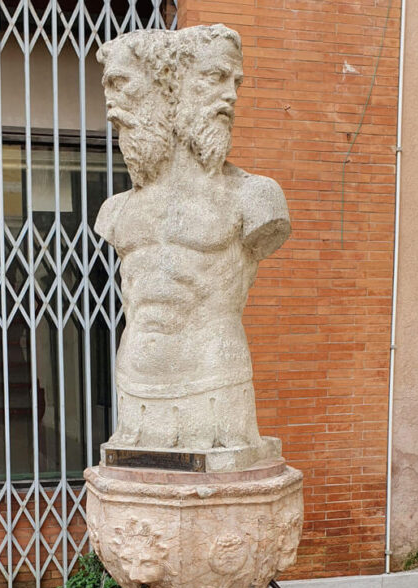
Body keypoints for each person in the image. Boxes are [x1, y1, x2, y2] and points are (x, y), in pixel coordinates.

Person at [96, 25, 290, 454]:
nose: (231, 96)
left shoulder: (254, 197)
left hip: (215, 379)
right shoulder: (116, 211)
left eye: (230, 80)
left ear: (169, 83)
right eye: (217, 77)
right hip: (135, 384)